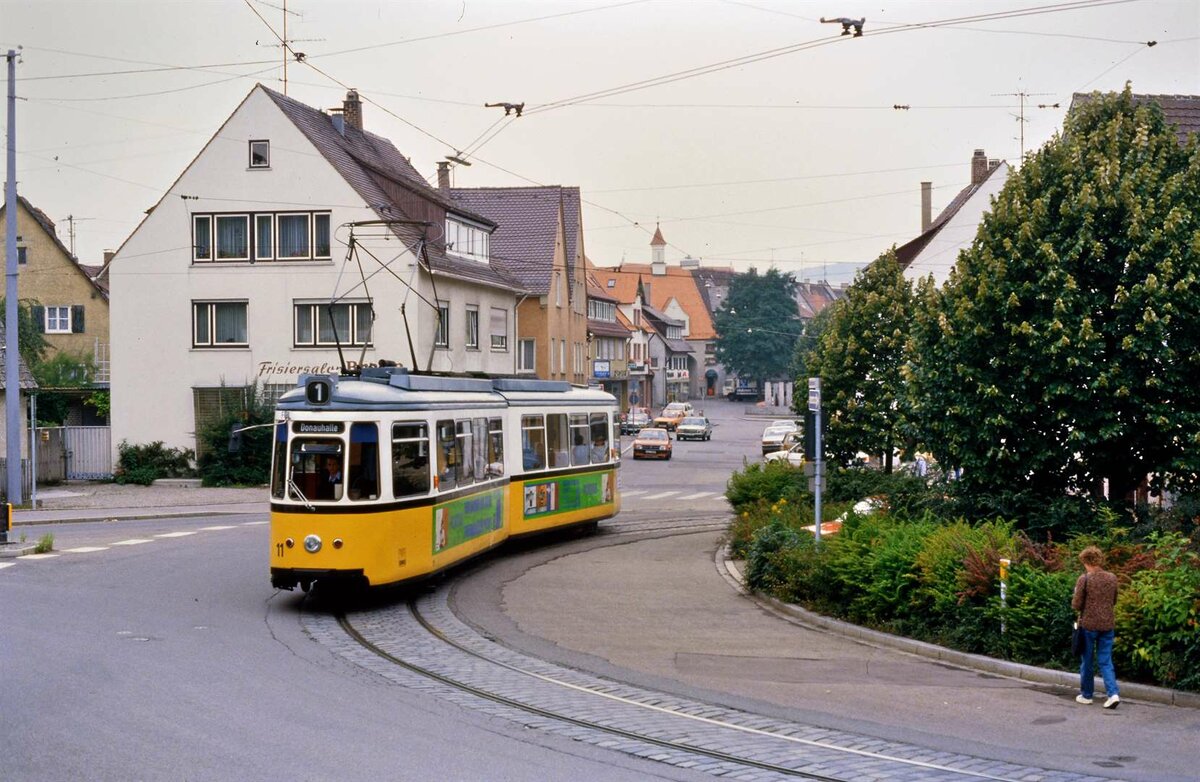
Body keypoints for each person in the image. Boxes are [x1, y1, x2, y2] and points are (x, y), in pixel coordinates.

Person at [1072, 545, 1120, 708]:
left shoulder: (1084, 579)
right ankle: (1113, 694)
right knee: (1106, 661)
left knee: (1087, 661)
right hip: (1107, 625)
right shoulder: (1112, 578)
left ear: (1086, 561)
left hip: (1089, 626)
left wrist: (1076, 594)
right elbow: (1114, 601)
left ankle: (1087, 695)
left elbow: (1076, 605)